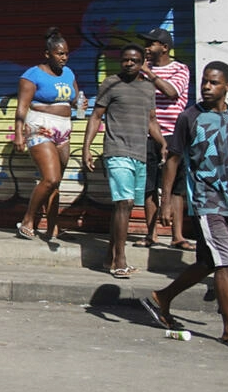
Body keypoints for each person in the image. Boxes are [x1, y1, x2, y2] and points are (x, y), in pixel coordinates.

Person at [141, 62, 228, 349]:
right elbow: (173, 160)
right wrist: (165, 202)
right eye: (204, 82)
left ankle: (162, 297)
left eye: (214, 83)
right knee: (225, 261)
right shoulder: (190, 117)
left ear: (227, 86)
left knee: (208, 262)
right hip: (204, 200)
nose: (206, 87)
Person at [80, 45, 165, 279]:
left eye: (134, 60)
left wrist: (163, 143)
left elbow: (151, 121)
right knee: (124, 203)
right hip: (116, 150)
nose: (129, 64)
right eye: (125, 60)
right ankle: (120, 260)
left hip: (139, 153)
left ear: (142, 63)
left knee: (124, 207)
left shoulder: (148, 88)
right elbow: (96, 116)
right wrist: (87, 148)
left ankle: (109, 257)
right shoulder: (111, 83)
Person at [14, 28, 83, 241]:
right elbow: (22, 107)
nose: (64, 57)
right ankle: (28, 220)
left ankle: (53, 226)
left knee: (55, 182)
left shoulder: (69, 73)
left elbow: (74, 99)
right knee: (50, 177)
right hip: (40, 127)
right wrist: (19, 134)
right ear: (47, 54)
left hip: (64, 127)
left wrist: (80, 104)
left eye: (66, 54)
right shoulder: (32, 75)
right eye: (59, 53)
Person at [136, 28, 194, 250]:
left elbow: (172, 93)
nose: (147, 48)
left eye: (151, 44)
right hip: (148, 134)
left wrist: (149, 74)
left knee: (176, 188)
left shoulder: (180, 69)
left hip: (174, 135)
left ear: (165, 47)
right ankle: (152, 235)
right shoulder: (143, 70)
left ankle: (177, 236)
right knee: (149, 186)